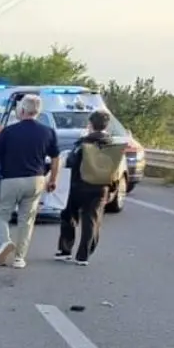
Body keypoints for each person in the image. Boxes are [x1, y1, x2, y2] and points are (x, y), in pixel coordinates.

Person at [0, 94, 60, 268]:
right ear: (38, 112)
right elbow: (56, 158)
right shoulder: (48, 132)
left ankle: (4, 242)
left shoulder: (9, 131)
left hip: (10, 179)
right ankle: (20, 258)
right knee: (26, 220)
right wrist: (53, 180)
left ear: (22, 110)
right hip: (36, 179)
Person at [55, 110, 126, 266]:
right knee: (92, 220)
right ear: (106, 126)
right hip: (101, 188)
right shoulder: (113, 145)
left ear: (90, 124)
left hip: (78, 186)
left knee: (69, 216)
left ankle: (65, 250)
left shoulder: (84, 143)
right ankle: (83, 255)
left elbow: (72, 162)